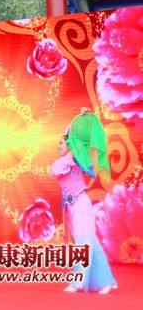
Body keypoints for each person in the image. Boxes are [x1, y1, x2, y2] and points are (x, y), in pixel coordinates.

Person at [51, 108, 117, 294]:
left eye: (61, 143)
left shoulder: (77, 162)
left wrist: (83, 117)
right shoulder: (60, 163)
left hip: (81, 203)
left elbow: (79, 136)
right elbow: (58, 168)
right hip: (71, 208)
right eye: (58, 144)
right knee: (90, 242)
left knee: (84, 241)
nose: (58, 146)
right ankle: (107, 282)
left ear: (70, 145)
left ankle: (79, 282)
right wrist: (72, 144)